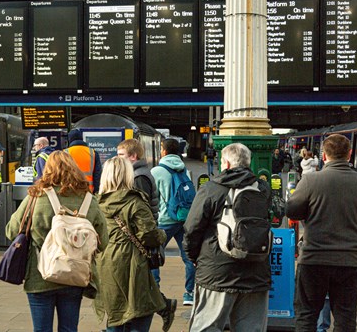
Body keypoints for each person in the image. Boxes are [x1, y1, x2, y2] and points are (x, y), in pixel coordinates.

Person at [6, 151, 108, 332]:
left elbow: (11, 231)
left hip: (39, 276)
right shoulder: (88, 200)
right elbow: (103, 241)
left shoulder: (36, 196)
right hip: (74, 275)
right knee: (69, 329)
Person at [183, 143, 274, 331]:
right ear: (248, 162)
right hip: (256, 272)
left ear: (225, 162)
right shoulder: (263, 189)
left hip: (217, 272)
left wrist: (193, 257)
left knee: (207, 327)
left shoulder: (212, 189)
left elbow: (192, 229)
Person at [286, 134, 357, 331]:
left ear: (324, 156)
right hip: (350, 261)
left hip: (314, 259)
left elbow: (292, 211)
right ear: (350, 154)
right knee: (345, 317)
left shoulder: (310, 181)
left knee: (306, 315)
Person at [94, 156, 175, 332]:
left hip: (105, 262)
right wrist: (162, 234)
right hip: (132, 263)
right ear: (127, 176)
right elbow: (149, 235)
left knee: (115, 313)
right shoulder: (134, 202)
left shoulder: (96, 203)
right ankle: (165, 307)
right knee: (140, 311)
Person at [151, 138, 196, 306]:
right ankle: (189, 293)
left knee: (153, 255)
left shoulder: (156, 171)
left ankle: (154, 292)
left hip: (164, 220)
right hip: (183, 218)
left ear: (163, 151)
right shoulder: (184, 169)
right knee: (188, 257)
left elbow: (150, 197)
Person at [65, 129, 102, 194]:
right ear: (81, 138)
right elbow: (97, 175)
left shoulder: (65, 153)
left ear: (69, 140)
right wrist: (96, 192)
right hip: (88, 191)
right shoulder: (93, 153)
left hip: (70, 191)